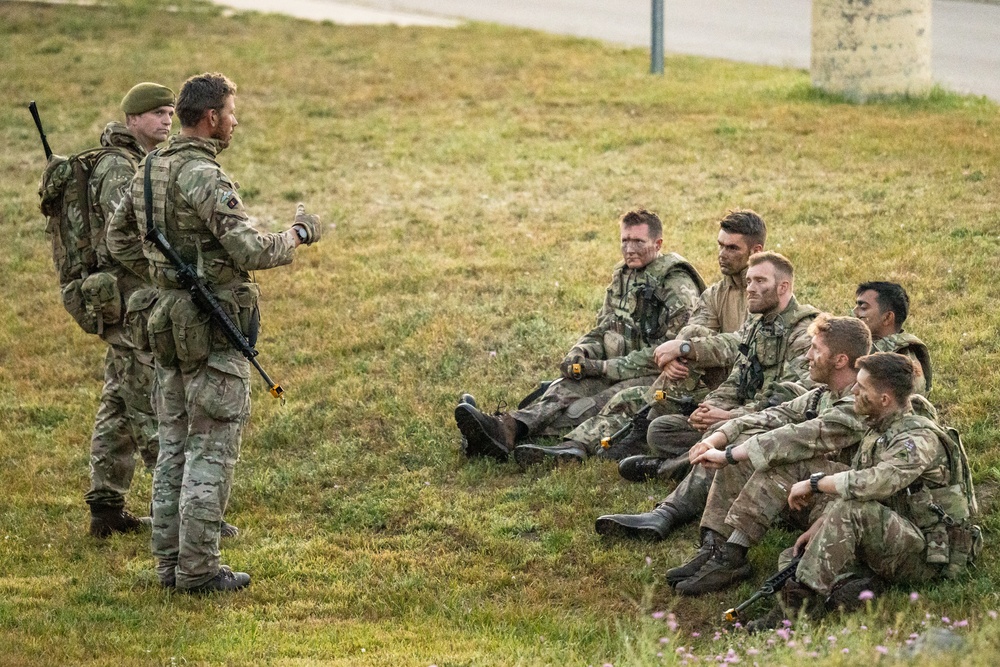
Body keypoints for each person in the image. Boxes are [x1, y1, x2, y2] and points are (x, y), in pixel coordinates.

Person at [108, 72, 322, 592]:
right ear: (210, 118)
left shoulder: (149, 169)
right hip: (212, 328)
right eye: (230, 112)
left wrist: (168, 274)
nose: (234, 120)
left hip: (167, 326)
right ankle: (199, 572)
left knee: (174, 450)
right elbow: (250, 251)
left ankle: (168, 567)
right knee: (210, 451)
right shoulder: (203, 175)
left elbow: (119, 238)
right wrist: (296, 234)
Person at [512, 209, 765, 466]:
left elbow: (743, 343)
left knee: (635, 402)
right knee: (606, 394)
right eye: (720, 245)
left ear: (755, 251)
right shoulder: (716, 293)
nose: (722, 254)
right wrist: (678, 352)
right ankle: (541, 436)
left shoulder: (764, 292)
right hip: (701, 380)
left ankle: (591, 444)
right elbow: (691, 330)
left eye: (732, 248)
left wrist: (685, 349)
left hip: (745, 391)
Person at [595, 252, 819, 540]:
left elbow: (790, 400)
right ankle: (687, 463)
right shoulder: (758, 323)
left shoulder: (803, 332)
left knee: (726, 437)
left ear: (784, 287)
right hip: (737, 417)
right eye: (749, 280)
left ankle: (666, 509)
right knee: (662, 429)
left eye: (760, 280)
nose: (750, 287)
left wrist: (730, 417)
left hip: (771, 426)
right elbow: (738, 376)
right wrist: (712, 405)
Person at [747, 353, 979, 629]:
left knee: (851, 512)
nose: (853, 391)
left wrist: (815, 483)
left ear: (884, 399)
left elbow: (877, 482)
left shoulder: (917, 438)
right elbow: (857, 491)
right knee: (794, 558)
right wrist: (820, 527)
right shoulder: (877, 431)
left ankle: (795, 613)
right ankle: (852, 588)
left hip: (929, 554)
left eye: (861, 387)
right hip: (897, 535)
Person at [455, 210, 705, 462]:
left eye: (638, 241)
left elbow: (672, 353)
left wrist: (603, 367)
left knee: (607, 402)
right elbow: (605, 327)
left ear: (657, 243)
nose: (629, 248)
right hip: (615, 366)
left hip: (656, 375)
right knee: (565, 387)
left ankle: (572, 447)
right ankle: (506, 429)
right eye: (624, 241)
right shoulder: (624, 276)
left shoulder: (677, 286)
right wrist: (581, 351)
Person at [667, 314, 871, 595]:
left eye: (816, 350)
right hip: (809, 494)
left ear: (840, 360)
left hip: (844, 502)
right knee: (744, 446)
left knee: (774, 460)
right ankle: (716, 547)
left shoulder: (860, 404)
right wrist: (719, 438)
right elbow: (771, 416)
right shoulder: (822, 395)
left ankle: (734, 554)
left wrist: (731, 454)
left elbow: (800, 436)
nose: (807, 357)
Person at [80, 82, 175, 537]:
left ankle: (106, 509)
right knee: (151, 404)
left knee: (118, 402)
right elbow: (127, 238)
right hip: (129, 301)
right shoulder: (120, 168)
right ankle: (175, 512)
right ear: (133, 119)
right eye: (156, 112)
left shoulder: (135, 162)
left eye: (171, 112)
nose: (166, 119)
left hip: (123, 299)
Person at [853, 281, 932, 393]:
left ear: (887, 317)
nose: (855, 312)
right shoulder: (862, 345)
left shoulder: (903, 364)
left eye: (863, 307)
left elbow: (906, 407)